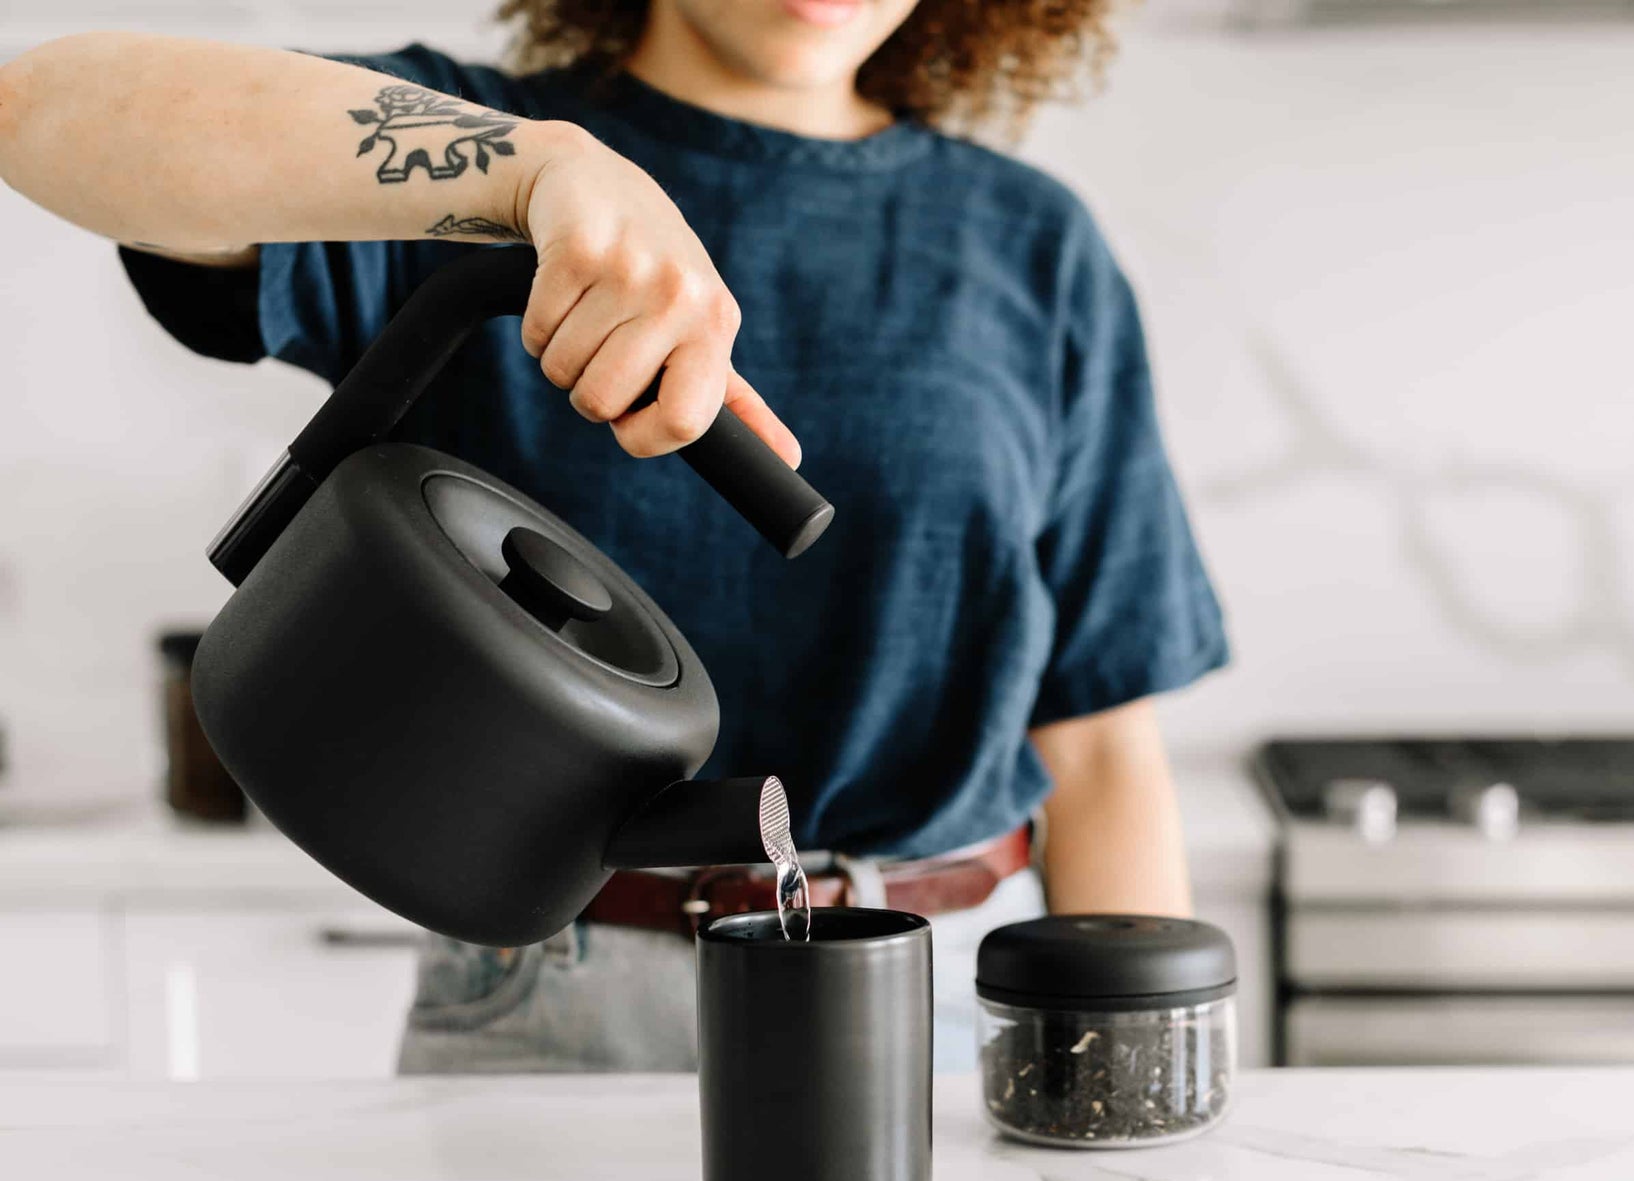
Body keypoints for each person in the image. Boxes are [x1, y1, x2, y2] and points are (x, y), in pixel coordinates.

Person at [0, 0, 1228, 1074]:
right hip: (562, 991)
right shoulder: (466, 152)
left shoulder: (1032, 244)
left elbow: (1102, 742)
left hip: (952, 988)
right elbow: (39, 108)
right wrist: (525, 173)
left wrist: (1133, 1064)